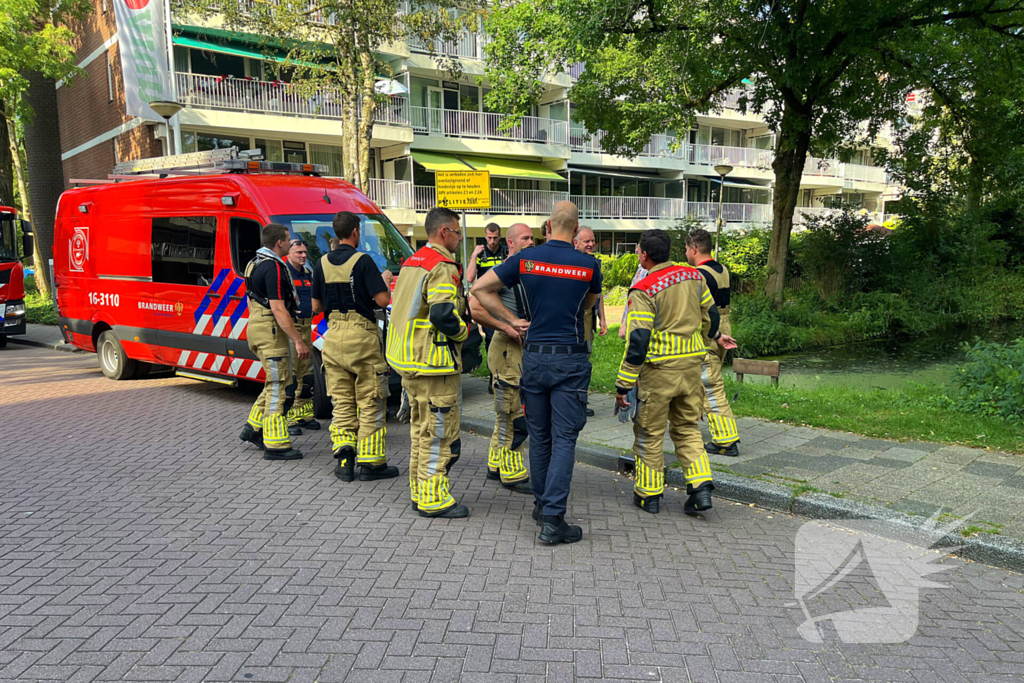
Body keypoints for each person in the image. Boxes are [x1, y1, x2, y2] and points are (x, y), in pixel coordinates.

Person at [472, 201, 600, 545]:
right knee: (565, 438)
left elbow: (479, 289)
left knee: (540, 436)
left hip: (534, 358)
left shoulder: (524, 260)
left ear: (548, 227)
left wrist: (511, 321)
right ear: (575, 230)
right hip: (569, 360)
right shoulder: (589, 264)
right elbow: (588, 306)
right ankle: (553, 520)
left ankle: (543, 507)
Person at [615, 229, 736, 516]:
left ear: (644, 254)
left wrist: (624, 384)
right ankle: (700, 487)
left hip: (659, 372)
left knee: (650, 432)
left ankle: (649, 494)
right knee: (687, 428)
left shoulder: (644, 288)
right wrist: (707, 339)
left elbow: (639, 340)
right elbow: (712, 314)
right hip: (692, 368)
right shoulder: (694, 277)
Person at [387, 207, 471, 518]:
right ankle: (434, 498)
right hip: (434, 363)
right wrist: (462, 333)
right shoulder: (442, 266)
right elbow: (441, 313)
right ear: (444, 232)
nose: (459, 238)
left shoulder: (413, 260)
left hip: (408, 359)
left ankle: (419, 489)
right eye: (457, 232)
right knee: (440, 433)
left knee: (420, 429)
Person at [311, 212, 399, 483]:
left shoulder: (321, 263)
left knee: (342, 401)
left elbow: (315, 306)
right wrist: (383, 281)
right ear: (356, 232)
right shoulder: (363, 261)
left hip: (333, 337)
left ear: (336, 233)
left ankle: (345, 459)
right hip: (362, 336)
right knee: (370, 400)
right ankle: (371, 464)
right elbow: (382, 301)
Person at [468, 223, 534, 494]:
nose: (531, 241)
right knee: (512, 413)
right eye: (525, 238)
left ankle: (496, 462)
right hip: (508, 349)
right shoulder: (504, 271)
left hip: (519, 350)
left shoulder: (527, 269)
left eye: (532, 237)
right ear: (511, 243)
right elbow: (473, 305)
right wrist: (507, 326)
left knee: (505, 410)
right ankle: (512, 472)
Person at [238, 223, 309, 461]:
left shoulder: (254, 262)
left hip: (257, 326)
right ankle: (275, 443)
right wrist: (297, 340)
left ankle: (253, 428)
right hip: (271, 332)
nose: (291, 244)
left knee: (273, 383)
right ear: (280, 243)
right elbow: (278, 309)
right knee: (280, 387)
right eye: (288, 240)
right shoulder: (274, 267)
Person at [686, 228, 741, 457]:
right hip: (725, 323)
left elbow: (698, 310)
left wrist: (711, 333)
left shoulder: (698, 275)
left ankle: (725, 440)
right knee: (704, 380)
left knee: (710, 385)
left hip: (710, 330)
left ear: (694, 248)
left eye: (687, 249)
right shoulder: (722, 269)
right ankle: (695, 423)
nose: (686, 253)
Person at [283, 239, 320, 436]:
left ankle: (303, 414)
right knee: (292, 373)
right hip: (292, 328)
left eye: (305, 252)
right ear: (289, 253)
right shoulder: (284, 273)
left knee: (306, 373)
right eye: (299, 252)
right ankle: (288, 416)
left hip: (307, 327)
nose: (303, 256)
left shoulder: (307, 274)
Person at [467, 223, 509, 394]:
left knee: (507, 337)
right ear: (485, 237)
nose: (492, 241)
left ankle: (505, 375)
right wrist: (473, 256)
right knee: (491, 340)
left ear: (500, 236)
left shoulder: (506, 252)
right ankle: (494, 376)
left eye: (495, 238)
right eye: (489, 238)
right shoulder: (480, 253)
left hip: (505, 301)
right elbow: (470, 278)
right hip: (486, 304)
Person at [620, 245, 648, 340]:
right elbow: (630, 299)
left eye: (639, 247)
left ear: (645, 254)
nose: (636, 250)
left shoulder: (646, 273)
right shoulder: (640, 270)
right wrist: (624, 322)